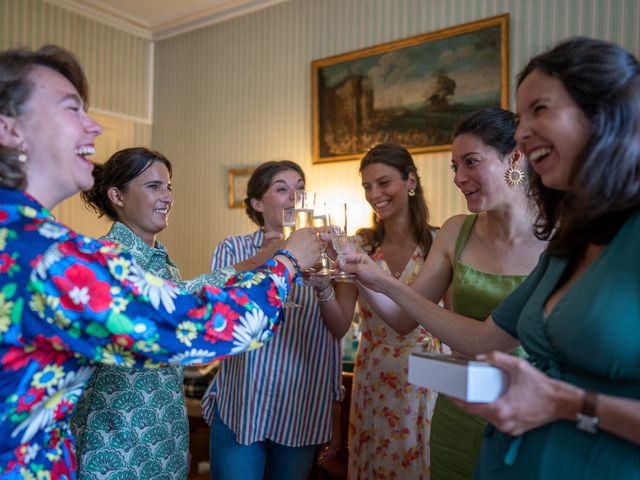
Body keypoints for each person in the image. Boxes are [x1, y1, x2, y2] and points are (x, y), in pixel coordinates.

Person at [0, 45, 320, 478]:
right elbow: (188, 326)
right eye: (72, 107)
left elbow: (175, 299)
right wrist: (285, 263)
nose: (92, 125)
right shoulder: (42, 253)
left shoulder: (28, 240)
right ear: (10, 129)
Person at [342, 37, 640, 479]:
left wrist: (568, 404)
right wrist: (370, 275)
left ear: (603, 112)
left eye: (539, 110)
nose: (522, 130)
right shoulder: (568, 246)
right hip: (504, 452)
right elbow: (484, 340)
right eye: (521, 119)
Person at [349, 108, 546, 479]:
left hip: (529, 413)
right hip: (460, 409)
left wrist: (382, 279)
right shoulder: (457, 231)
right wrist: (358, 271)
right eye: (455, 167)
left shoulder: (557, 238)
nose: (459, 178)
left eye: (471, 162)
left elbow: (487, 340)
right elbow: (403, 319)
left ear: (515, 157)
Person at [71, 147, 235, 479]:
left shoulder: (162, 262)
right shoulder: (105, 259)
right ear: (117, 195)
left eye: (168, 187)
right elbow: (169, 309)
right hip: (115, 444)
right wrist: (256, 266)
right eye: (154, 186)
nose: (167, 197)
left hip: (166, 440)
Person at [201, 160, 343, 480]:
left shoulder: (327, 254)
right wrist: (280, 252)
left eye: (300, 188)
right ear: (256, 203)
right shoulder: (232, 248)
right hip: (243, 406)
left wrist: (334, 407)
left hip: (301, 408)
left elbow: (334, 337)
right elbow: (218, 308)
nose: (295, 196)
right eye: (282, 188)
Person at [319, 143, 446, 479]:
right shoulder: (360, 246)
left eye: (383, 182)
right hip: (375, 376)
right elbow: (339, 325)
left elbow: (424, 320)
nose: (374, 194)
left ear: (411, 181)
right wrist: (322, 285)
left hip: (428, 375)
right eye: (367, 187)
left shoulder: (438, 244)